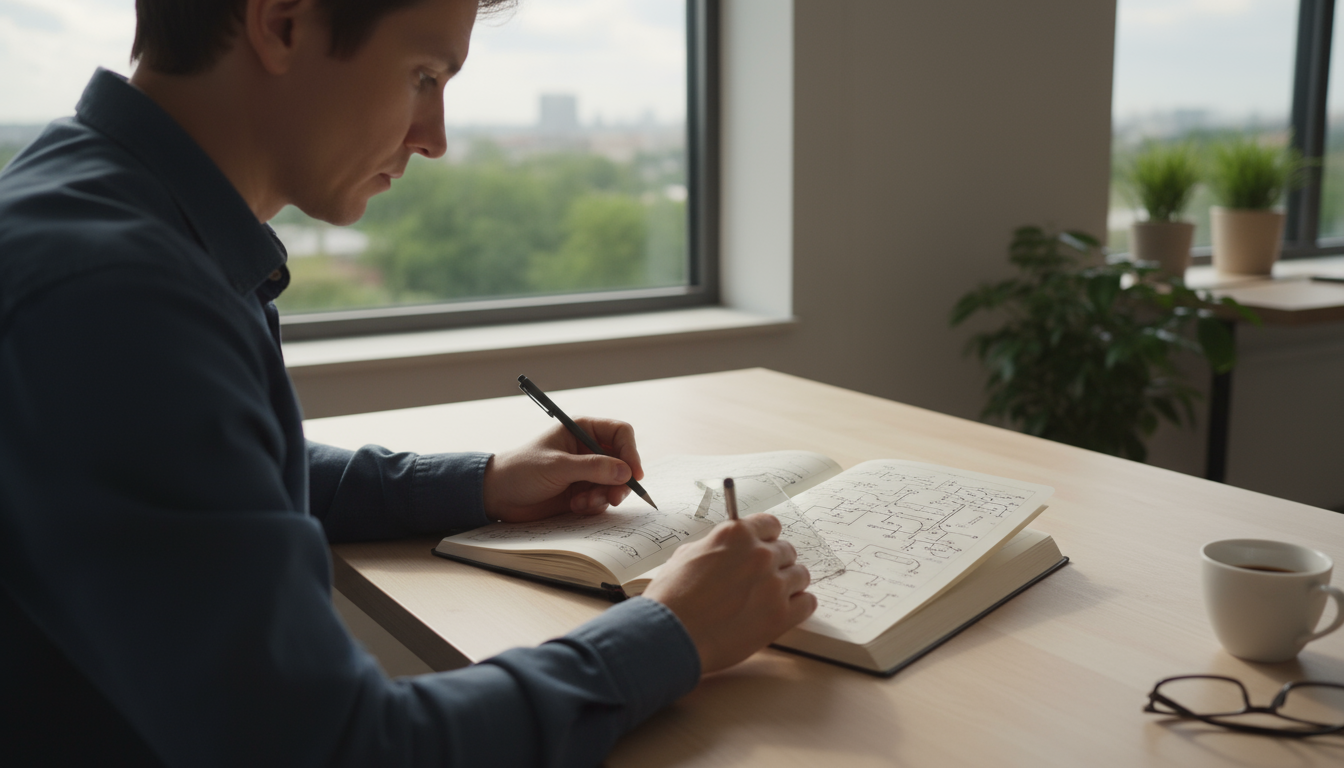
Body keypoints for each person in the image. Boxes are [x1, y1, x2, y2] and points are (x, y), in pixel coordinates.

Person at [0, 0, 817, 765]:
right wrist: (672, 631)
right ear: (283, 22)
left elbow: (216, 479)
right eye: (425, 76)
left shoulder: (106, 215)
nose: (436, 137)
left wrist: (482, 482)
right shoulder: (115, 298)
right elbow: (343, 748)